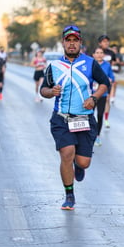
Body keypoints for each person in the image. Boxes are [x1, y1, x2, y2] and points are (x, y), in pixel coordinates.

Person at [40, 25, 110, 210]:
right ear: (63, 42)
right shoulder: (53, 66)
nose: (72, 44)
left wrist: (94, 98)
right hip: (61, 118)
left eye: (75, 41)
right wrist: (50, 91)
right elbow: (43, 90)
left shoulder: (90, 63)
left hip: (85, 119)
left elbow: (104, 83)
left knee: (83, 163)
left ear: (80, 43)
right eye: (68, 41)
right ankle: (69, 195)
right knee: (66, 153)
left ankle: (79, 166)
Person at [92, 47, 115, 146]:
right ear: (94, 55)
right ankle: (89, 134)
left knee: (100, 115)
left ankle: (97, 136)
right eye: (97, 52)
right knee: (89, 115)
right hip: (91, 94)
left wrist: (109, 80)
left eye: (101, 53)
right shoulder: (91, 64)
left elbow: (112, 77)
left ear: (104, 55)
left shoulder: (107, 65)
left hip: (103, 94)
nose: (99, 54)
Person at [98, 35, 117, 127]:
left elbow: (113, 63)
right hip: (96, 80)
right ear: (100, 43)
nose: (106, 43)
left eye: (107, 41)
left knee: (107, 99)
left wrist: (110, 76)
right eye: (104, 41)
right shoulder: (96, 52)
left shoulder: (111, 53)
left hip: (106, 80)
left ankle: (105, 119)